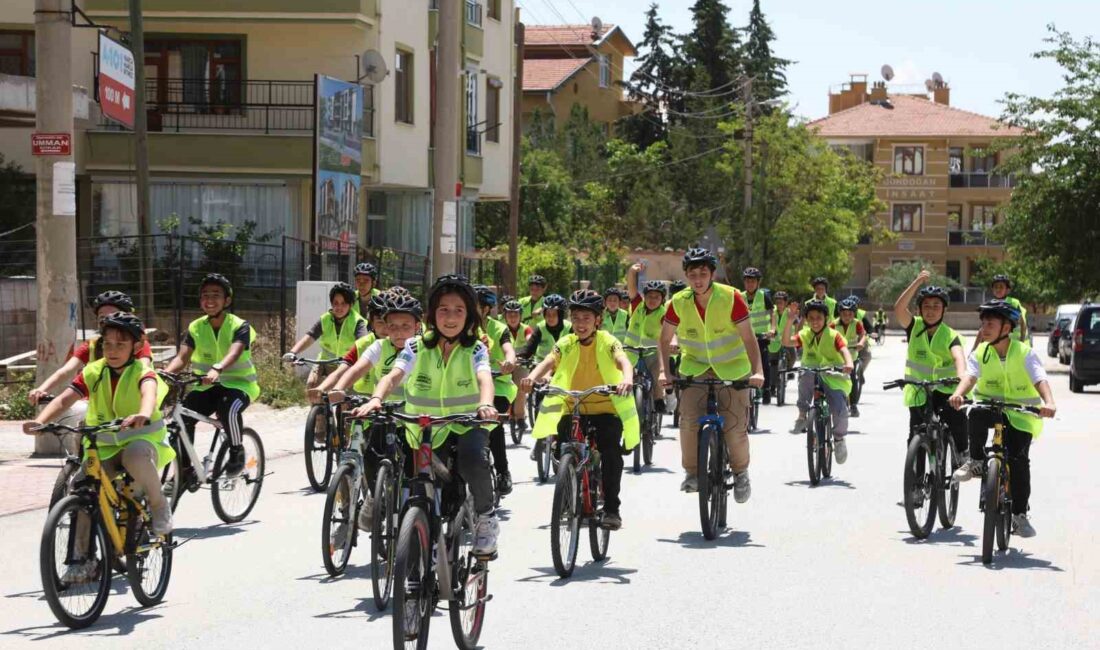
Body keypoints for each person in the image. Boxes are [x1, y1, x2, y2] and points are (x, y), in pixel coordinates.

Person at [352, 274, 500, 557]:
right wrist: (375, 399)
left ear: (469, 315)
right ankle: (426, 539)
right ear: (433, 314)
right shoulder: (415, 347)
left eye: (459, 310)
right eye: (444, 309)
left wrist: (485, 404)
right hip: (427, 428)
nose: (451, 316)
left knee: (472, 461)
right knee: (424, 485)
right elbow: (394, 376)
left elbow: (485, 379)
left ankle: (486, 518)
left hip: (468, 423)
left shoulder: (476, 348)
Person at [25, 313, 174, 582]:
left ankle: (158, 504)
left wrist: (141, 413)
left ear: (136, 347)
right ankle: (82, 559)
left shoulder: (143, 371)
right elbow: (64, 399)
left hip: (140, 441)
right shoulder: (94, 371)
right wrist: (40, 421)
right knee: (81, 488)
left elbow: (149, 394)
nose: (113, 350)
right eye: (107, 344)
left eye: (121, 344)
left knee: (137, 455)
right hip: (104, 447)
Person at [522, 290, 637, 530]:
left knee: (611, 454)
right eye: (576, 318)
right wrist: (531, 378)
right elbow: (548, 362)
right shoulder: (566, 342)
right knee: (562, 448)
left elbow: (623, 360)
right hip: (573, 405)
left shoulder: (607, 340)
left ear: (598, 319)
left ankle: (612, 509)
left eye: (586, 318)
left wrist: (626, 379)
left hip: (604, 407)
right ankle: (569, 492)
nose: (580, 323)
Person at [657, 248, 764, 501]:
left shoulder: (732, 297)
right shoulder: (678, 303)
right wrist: (665, 371)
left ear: (712, 274)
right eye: (692, 274)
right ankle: (692, 473)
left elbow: (749, 338)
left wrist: (757, 371)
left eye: (703, 273)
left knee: (735, 428)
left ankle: (740, 473)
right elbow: (663, 338)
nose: (697, 279)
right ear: (686, 276)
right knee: (688, 422)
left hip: (733, 370)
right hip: (694, 370)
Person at [948, 300, 1055, 538]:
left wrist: (1048, 402)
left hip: (1020, 415)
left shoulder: (1024, 353)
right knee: (974, 414)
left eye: (990, 323)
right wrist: (958, 394)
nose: (984, 328)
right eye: (983, 323)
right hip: (990, 408)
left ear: (1006, 328)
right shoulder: (981, 352)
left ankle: (1019, 515)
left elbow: (1040, 379)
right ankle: (975, 461)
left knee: (1018, 462)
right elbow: (971, 377)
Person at [327, 293, 421, 530]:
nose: (399, 332)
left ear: (417, 327)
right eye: (393, 326)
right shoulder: (379, 346)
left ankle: (410, 513)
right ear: (385, 328)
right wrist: (339, 387)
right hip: (386, 413)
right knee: (371, 455)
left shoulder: (422, 348)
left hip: (414, 418)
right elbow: (358, 368)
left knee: (412, 469)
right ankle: (373, 497)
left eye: (405, 327)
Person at [164, 273, 259, 478]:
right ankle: (185, 470)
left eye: (216, 295)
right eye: (205, 295)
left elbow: (234, 352)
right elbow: (182, 357)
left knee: (229, 409)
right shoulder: (196, 327)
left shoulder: (239, 325)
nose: (210, 299)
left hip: (240, 386)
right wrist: (164, 373)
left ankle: (236, 452)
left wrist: (217, 368)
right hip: (206, 386)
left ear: (227, 300)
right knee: (182, 416)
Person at [28, 291, 152, 415]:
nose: (108, 320)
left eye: (114, 315)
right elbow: (66, 370)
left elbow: (143, 371)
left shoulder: (138, 345)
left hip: (132, 407)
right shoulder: (92, 345)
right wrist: (41, 389)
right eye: (102, 317)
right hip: (96, 407)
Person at [892, 272, 968, 456]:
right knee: (915, 436)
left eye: (936, 306)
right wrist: (917, 282)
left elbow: (959, 360)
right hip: (920, 390)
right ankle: (916, 482)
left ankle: (963, 453)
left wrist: (960, 382)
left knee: (956, 419)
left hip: (947, 391)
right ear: (918, 310)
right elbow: (899, 308)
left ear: (944, 310)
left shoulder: (950, 335)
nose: (931, 310)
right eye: (926, 306)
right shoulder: (914, 327)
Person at [782, 299, 854, 463]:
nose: (815, 321)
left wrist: (848, 364)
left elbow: (844, 350)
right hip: (812, 372)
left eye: (819, 318)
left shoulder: (834, 335)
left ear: (826, 319)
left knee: (839, 409)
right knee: (805, 377)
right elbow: (786, 342)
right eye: (811, 318)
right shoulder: (805, 334)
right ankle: (801, 417)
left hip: (833, 376)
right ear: (806, 320)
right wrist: (789, 321)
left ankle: (839, 439)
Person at [282, 282, 369, 387]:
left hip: (346, 365)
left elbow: (363, 343)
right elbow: (310, 336)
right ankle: (316, 403)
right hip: (324, 362)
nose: (339, 307)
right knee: (311, 384)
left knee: (339, 393)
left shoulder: (358, 322)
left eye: (344, 303)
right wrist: (293, 352)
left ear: (351, 305)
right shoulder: (325, 319)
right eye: (335, 303)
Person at [474, 285, 517, 495]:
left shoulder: (500, 329)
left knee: (494, 424)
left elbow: (509, 349)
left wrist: (509, 362)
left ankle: (502, 471)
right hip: (468, 386)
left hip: (499, 385)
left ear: (486, 308)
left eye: (475, 305)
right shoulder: (463, 326)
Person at [624, 279, 669, 412]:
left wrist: (673, 343)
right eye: (649, 296)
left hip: (653, 353)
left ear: (662, 299)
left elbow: (669, 332)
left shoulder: (663, 314)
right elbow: (631, 287)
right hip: (631, 352)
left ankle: (659, 399)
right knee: (625, 377)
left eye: (657, 297)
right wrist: (633, 271)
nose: (652, 300)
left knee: (656, 375)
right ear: (644, 297)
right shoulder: (637, 305)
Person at [742, 267, 777, 404]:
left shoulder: (763, 296)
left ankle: (767, 389)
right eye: (747, 281)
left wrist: (773, 329)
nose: (750, 284)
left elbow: (772, 313)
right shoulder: (740, 296)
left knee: (763, 361)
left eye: (753, 281)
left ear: (758, 283)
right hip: (745, 336)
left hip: (761, 337)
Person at [832, 298, 868, 417]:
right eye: (844, 314)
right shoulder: (833, 324)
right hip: (837, 358)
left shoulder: (857, 323)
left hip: (851, 358)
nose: (847, 317)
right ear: (840, 314)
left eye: (850, 314)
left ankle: (853, 405)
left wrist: (861, 343)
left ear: (854, 314)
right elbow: (826, 335)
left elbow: (863, 335)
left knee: (853, 380)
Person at [502, 299, 533, 431]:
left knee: (521, 388)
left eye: (515, 314)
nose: (513, 318)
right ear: (505, 316)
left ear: (520, 315)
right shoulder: (502, 329)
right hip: (505, 363)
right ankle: (506, 413)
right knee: (504, 388)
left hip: (521, 362)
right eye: (510, 315)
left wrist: (524, 353)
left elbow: (530, 341)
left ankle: (520, 417)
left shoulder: (526, 328)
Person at [516, 293, 571, 363]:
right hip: (542, 367)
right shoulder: (540, 327)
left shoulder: (569, 327)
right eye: (548, 314)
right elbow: (528, 349)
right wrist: (517, 358)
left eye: (554, 314)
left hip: (565, 367)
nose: (550, 318)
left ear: (560, 316)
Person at [989, 274, 1029, 343]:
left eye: (1001, 287)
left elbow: (1023, 324)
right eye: (996, 287)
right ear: (992, 289)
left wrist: (1022, 342)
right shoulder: (990, 305)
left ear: (1007, 290)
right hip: (998, 343)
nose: (998, 289)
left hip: (1015, 343)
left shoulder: (1014, 303)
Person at [768, 291, 796, 389]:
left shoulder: (789, 312)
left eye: (781, 302)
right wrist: (771, 331)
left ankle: (789, 371)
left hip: (787, 339)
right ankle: (772, 385)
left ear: (785, 303)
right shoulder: (773, 312)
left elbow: (796, 324)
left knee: (793, 356)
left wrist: (796, 335)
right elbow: (772, 325)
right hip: (775, 340)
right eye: (777, 302)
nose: (779, 304)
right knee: (773, 362)